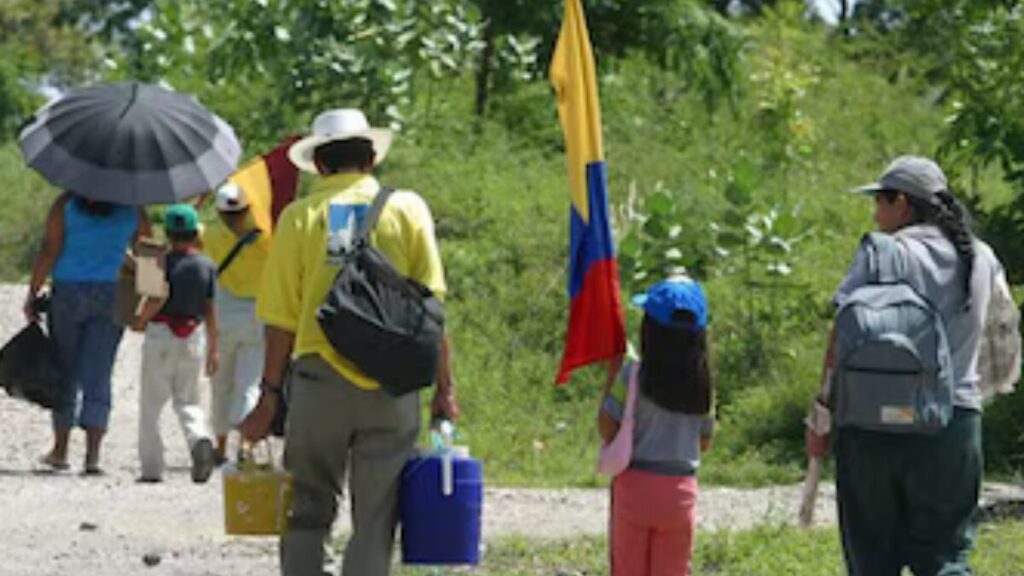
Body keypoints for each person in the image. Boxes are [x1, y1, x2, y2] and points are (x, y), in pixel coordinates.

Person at [239, 108, 460, 576]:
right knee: (377, 518)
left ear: (318, 164)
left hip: (318, 384)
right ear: (371, 159)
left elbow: (279, 319)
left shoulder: (299, 218)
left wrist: (268, 396)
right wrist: (445, 390)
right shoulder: (407, 208)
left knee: (305, 511)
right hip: (392, 385)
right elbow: (432, 310)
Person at [806, 156, 1006, 575]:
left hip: (873, 426)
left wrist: (822, 412)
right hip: (952, 424)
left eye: (880, 201)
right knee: (946, 556)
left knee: (872, 558)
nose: (876, 214)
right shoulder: (982, 258)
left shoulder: (883, 252)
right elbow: (1001, 341)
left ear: (903, 202)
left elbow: (841, 337)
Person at [24, 192, 150, 475]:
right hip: (111, 293)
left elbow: (49, 250)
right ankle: (93, 456)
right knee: (99, 371)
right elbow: (149, 252)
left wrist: (33, 292)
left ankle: (61, 450)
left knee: (65, 369)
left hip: (68, 291)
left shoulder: (65, 204)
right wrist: (150, 304)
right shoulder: (132, 207)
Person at [598, 277, 715, 576]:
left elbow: (607, 429)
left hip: (634, 488)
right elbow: (704, 442)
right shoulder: (703, 385)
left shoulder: (631, 375)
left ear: (649, 331)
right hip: (680, 493)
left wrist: (611, 377)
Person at [133, 204, 218, 483]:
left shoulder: (156, 262)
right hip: (193, 335)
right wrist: (214, 349)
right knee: (189, 401)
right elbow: (211, 311)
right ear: (195, 233)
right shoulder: (206, 265)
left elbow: (152, 298)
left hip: (160, 334)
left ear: (168, 233)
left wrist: (140, 321)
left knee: (151, 406)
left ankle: (152, 468)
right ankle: (199, 439)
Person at [203, 182, 270, 463]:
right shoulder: (267, 237)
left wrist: (199, 201)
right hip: (258, 313)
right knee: (249, 383)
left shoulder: (211, 235)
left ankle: (219, 445)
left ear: (219, 212)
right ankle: (245, 446)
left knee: (221, 384)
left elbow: (180, 228)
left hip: (223, 313)